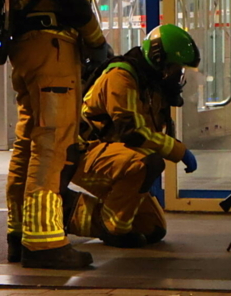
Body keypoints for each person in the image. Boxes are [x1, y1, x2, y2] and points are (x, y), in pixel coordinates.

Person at [5, 0, 112, 270]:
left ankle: (19, 232)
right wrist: (97, 42)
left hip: (28, 49)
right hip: (52, 49)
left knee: (29, 142)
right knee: (53, 141)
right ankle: (44, 241)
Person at [61, 25, 201, 247]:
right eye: (176, 69)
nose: (178, 76)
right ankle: (113, 229)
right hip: (82, 153)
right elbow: (133, 133)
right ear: (158, 59)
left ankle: (66, 211)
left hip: (111, 155)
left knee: (151, 228)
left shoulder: (151, 84)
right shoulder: (122, 77)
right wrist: (179, 150)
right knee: (146, 163)